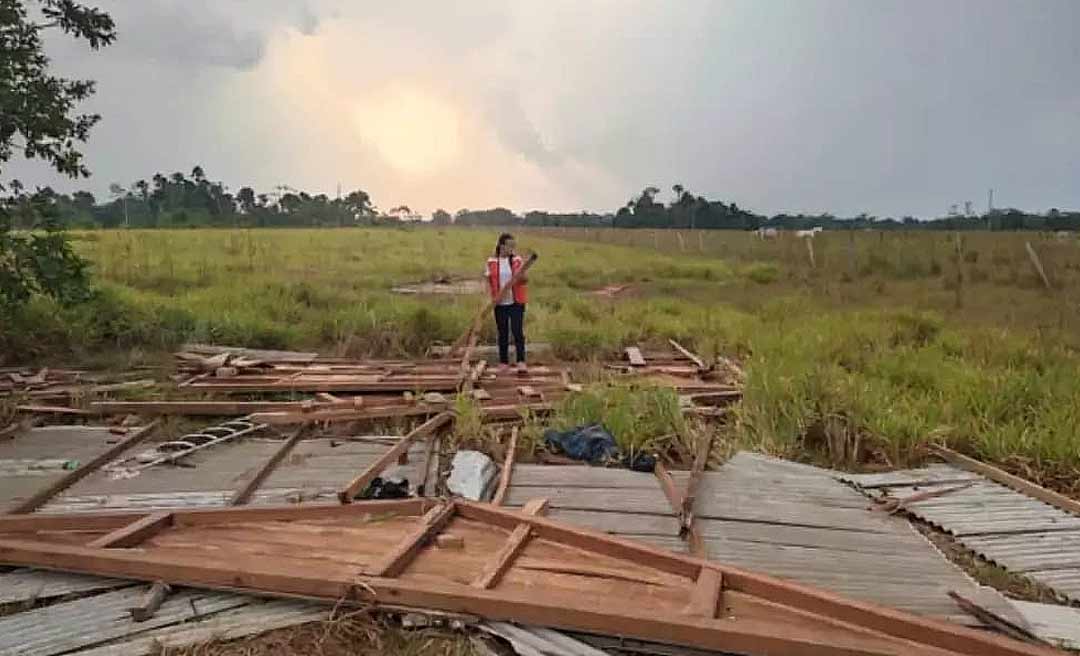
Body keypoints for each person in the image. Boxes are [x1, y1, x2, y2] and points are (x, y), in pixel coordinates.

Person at [485, 233, 528, 374]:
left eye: (513, 246)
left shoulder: (517, 260)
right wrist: (491, 298)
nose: (512, 248)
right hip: (499, 303)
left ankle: (521, 361)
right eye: (510, 245)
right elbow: (488, 282)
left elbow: (525, 280)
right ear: (502, 246)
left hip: (516, 302)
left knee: (517, 331)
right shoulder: (491, 261)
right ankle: (503, 362)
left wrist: (521, 277)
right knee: (502, 332)